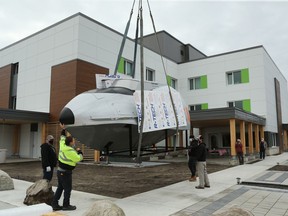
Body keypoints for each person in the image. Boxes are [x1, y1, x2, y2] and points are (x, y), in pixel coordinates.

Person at [52, 123, 83, 211]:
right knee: (67, 189)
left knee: (60, 187)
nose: (74, 142)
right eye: (73, 141)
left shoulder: (62, 145)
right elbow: (78, 158)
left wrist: (63, 129)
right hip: (65, 172)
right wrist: (80, 151)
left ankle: (54, 204)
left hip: (60, 171)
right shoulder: (70, 151)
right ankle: (66, 205)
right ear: (70, 143)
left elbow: (62, 136)